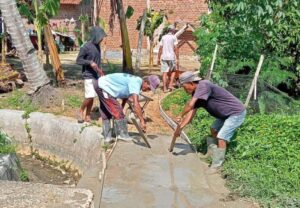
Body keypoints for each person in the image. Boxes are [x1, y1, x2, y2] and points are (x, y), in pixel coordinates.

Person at [173, 71, 246, 170]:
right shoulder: (197, 93)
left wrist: (180, 115)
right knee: (214, 130)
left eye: (183, 86)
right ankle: (213, 153)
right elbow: (191, 113)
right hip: (225, 115)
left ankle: (217, 165)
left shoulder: (203, 85)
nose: (184, 89)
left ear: (190, 83)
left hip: (235, 113)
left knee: (221, 136)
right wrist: (180, 128)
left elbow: (190, 105)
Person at [93, 73, 160, 144]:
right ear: (146, 82)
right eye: (149, 88)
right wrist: (142, 120)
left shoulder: (136, 83)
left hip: (102, 86)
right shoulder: (136, 82)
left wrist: (121, 106)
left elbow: (125, 96)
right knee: (118, 112)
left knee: (107, 112)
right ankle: (122, 135)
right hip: (103, 87)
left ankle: (107, 138)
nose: (148, 90)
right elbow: (135, 103)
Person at [76, 26, 106, 123]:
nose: (102, 39)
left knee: (92, 96)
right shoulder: (85, 46)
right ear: (95, 36)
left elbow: (97, 61)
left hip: (96, 75)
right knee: (89, 96)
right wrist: (89, 62)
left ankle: (88, 115)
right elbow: (78, 60)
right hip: (88, 74)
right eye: (101, 37)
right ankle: (80, 111)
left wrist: (100, 70)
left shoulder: (97, 46)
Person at [157, 25, 179, 93]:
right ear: (172, 30)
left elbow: (160, 48)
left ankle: (164, 88)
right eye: (174, 30)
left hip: (164, 57)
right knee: (173, 71)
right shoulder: (174, 37)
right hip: (171, 57)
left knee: (164, 73)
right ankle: (170, 85)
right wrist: (177, 58)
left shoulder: (163, 37)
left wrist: (158, 57)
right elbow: (176, 48)